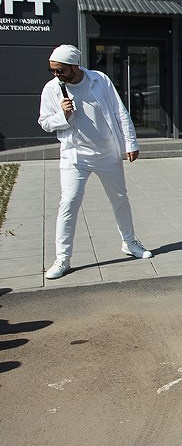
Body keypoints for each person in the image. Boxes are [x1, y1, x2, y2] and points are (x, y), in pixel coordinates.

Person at [37, 44, 153, 279]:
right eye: (53, 71)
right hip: (75, 156)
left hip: (107, 153)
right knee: (68, 203)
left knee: (120, 198)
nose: (56, 75)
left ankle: (129, 242)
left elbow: (120, 110)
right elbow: (44, 122)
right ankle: (62, 258)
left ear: (74, 66)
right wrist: (63, 116)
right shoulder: (52, 89)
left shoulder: (99, 80)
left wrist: (131, 142)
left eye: (60, 70)